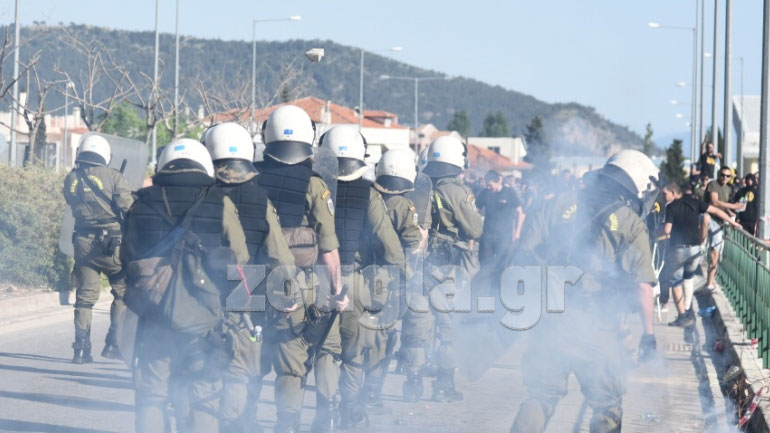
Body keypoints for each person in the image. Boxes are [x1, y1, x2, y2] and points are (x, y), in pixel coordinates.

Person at [510, 150, 660, 433]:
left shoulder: (556, 204)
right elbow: (643, 284)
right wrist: (648, 335)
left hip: (549, 317)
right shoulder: (629, 221)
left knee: (540, 396)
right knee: (606, 406)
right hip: (596, 325)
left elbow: (525, 257)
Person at [123, 139, 249, 433]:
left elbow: (126, 258)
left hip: (154, 318)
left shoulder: (141, 203)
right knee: (204, 396)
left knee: (152, 395)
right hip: (204, 320)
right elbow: (240, 257)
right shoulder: (219, 201)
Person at [255, 105, 347, 433]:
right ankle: (290, 425)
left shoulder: (252, 176)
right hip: (296, 283)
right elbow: (329, 246)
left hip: (250, 280)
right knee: (292, 364)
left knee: (251, 357)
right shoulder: (314, 184)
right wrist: (337, 291)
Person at [203, 122, 298, 433]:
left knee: (202, 366)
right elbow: (279, 254)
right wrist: (288, 295)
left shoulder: (201, 193)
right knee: (241, 368)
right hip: (249, 285)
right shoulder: (259, 197)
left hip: (200, 286)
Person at [318, 125, 407, 428]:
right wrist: (403, 276)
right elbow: (390, 245)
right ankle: (349, 415)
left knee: (325, 353)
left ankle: (323, 413)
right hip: (353, 283)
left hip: (314, 279)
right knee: (354, 356)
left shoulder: (312, 186)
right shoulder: (367, 194)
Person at [413, 135, 483, 402]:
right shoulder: (458, 191)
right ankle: (443, 385)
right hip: (448, 265)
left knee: (420, 322)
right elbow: (475, 228)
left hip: (420, 262)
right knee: (449, 328)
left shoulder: (420, 184)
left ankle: (412, 380)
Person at [62, 135, 133, 363]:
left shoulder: (71, 178)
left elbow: (71, 201)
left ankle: (80, 349)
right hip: (113, 245)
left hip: (83, 243)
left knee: (84, 299)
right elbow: (127, 209)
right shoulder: (114, 176)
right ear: (104, 154)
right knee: (122, 292)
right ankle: (114, 343)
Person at [366, 147, 424, 411]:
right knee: (384, 336)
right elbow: (413, 241)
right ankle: (373, 391)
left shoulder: (370, 197)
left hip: (364, 272)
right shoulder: (404, 204)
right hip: (389, 277)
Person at [660, 183, 740, 327]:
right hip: (696, 249)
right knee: (688, 278)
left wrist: (654, 233)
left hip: (679, 249)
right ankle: (688, 308)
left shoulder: (671, 207)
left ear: (673, 192)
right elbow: (715, 211)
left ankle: (682, 316)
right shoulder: (694, 202)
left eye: (665, 194)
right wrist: (731, 222)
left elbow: (667, 230)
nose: (663, 197)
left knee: (676, 282)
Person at [705, 166, 744, 291]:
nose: (725, 178)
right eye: (723, 175)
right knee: (714, 252)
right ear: (718, 174)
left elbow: (723, 205)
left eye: (728, 176)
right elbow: (715, 202)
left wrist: (732, 213)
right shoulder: (713, 184)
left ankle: (710, 281)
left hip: (721, 221)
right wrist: (732, 206)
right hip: (710, 218)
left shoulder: (728, 188)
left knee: (717, 253)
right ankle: (709, 282)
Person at [476, 170, 525, 266]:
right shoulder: (484, 193)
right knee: (485, 264)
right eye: (486, 184)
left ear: (499, 181)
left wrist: (517, 232)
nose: (487, 187)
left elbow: (520, 213)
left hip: (504, 236)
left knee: (502, 265)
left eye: (490, 185)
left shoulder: (510, 192)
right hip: (488, 235)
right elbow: (476, 210)